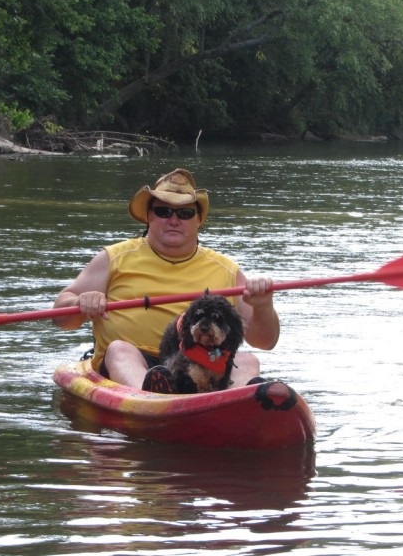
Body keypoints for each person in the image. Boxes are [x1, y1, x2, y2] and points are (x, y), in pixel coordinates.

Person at [53, 168, 280, 393]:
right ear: (149, 216)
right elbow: (62, 318)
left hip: (205, 362)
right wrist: (80, 303)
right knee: (119, 350)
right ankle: (154, 392)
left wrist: (263, 305)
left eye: (184, 214)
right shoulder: (113, 258)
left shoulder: (228, 270)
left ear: (198, 219)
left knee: (248, 360)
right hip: (135, 364)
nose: (173, 220)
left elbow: (265, 342)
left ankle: (240, 398)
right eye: (163, 211)